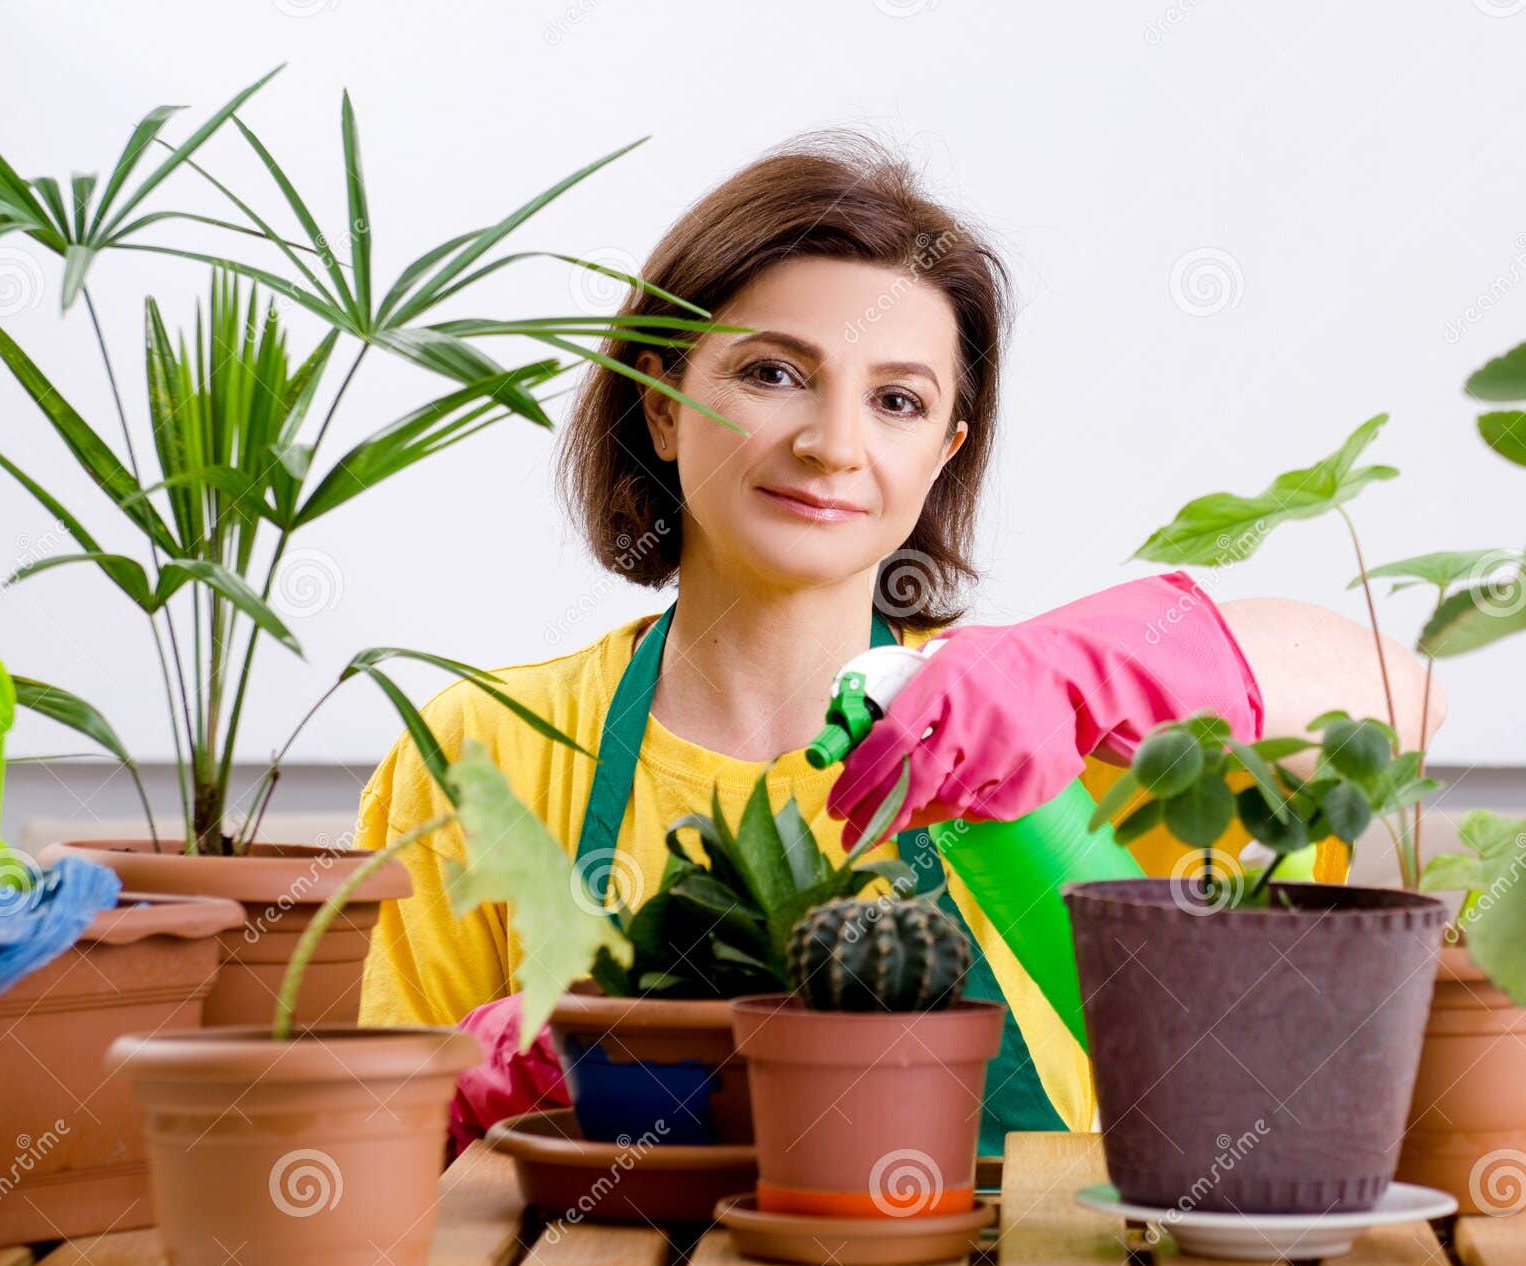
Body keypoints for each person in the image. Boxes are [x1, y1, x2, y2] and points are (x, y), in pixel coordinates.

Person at [356, 132, 1441, 1157]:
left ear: (942, 454)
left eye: (896, 401)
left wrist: (1070, 680)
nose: (832, 445)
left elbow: (1400, 696)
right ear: (661, 403)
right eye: (772, 374)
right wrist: (492, 1081)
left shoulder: (1028, 743)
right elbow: (383, 1141)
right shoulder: (481, 749)